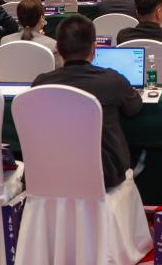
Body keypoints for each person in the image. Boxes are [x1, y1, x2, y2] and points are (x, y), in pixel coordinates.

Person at [31, 15, 142, 188]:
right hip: (105, 174)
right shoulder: (112, 80)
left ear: (57, 48)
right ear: (94, 48)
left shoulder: (41, 84)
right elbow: (134, 108)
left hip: (52, 170)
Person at [1, 0, 62, 68]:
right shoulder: (53, 45)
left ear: (18, 19)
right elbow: (59, 70)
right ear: (41, 18)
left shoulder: (4, 41)